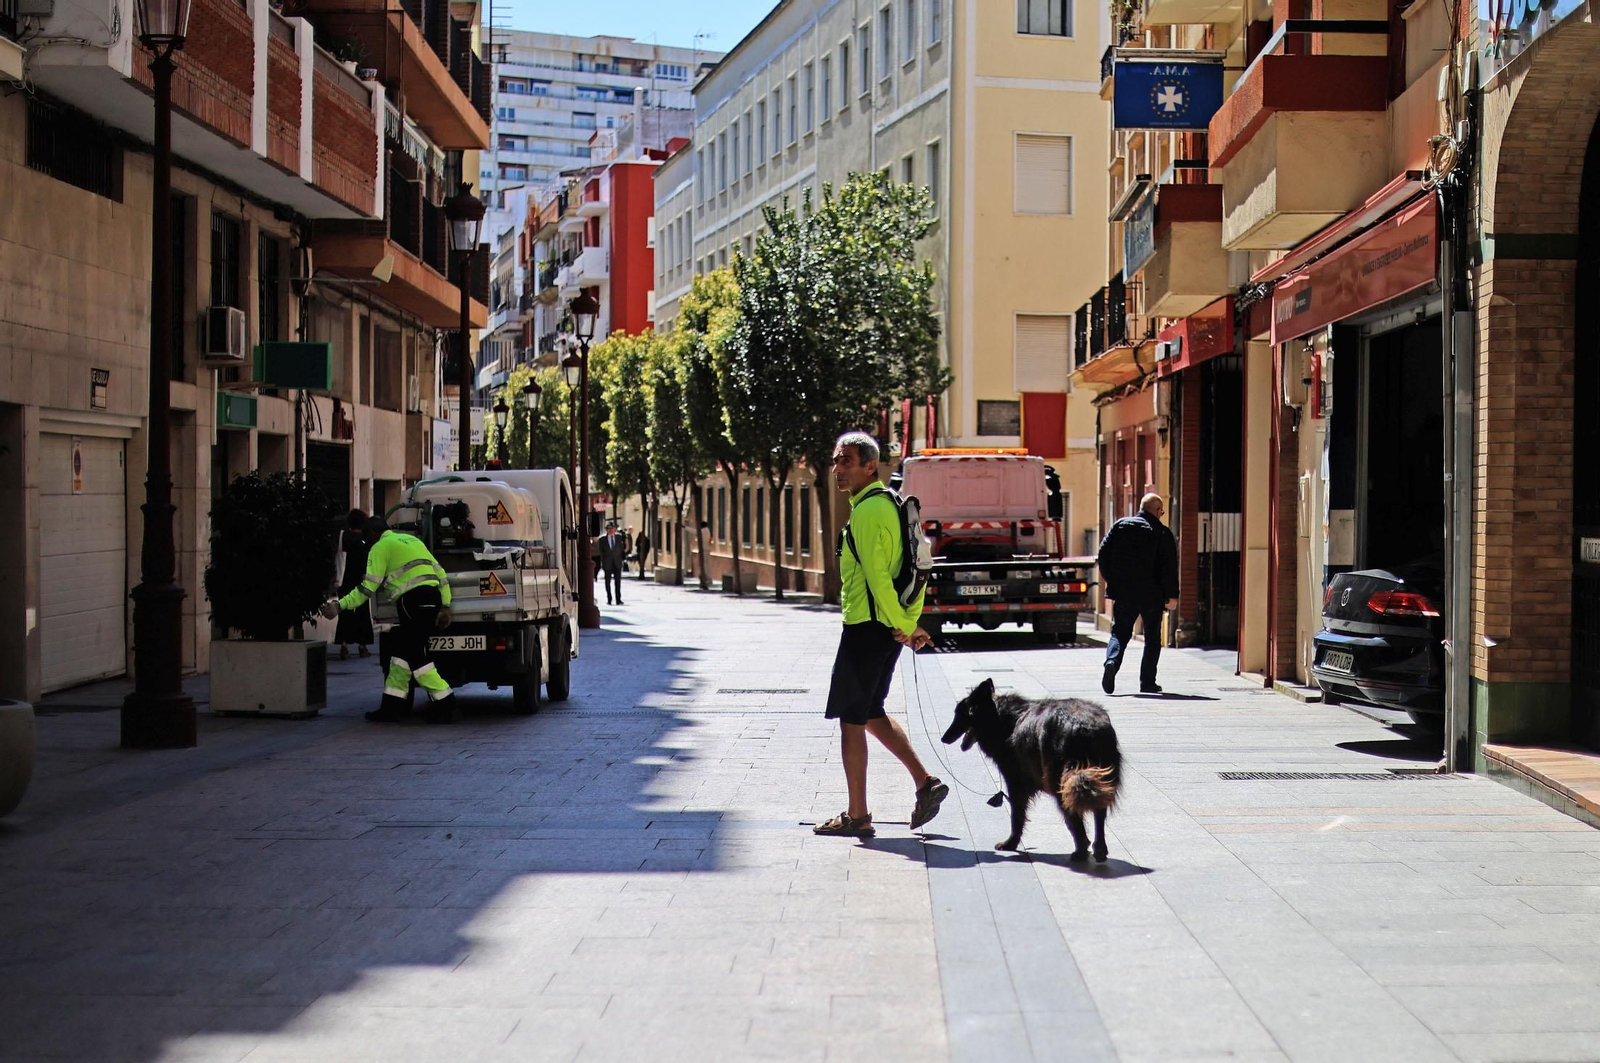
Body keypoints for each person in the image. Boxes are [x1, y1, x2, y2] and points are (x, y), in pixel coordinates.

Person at [814, 430, 948, 839]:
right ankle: (926, 783)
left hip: (867, 629)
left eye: (847, 461)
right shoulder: (889, 504)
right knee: (871, 711)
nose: (837, 468)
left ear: (870, 466)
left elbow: (877, 579)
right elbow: (916, 567)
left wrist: (905, 627)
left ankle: (858, 816)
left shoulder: (869, 511)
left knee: (851, 721)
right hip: (884, 628)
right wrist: (907, 622)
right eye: (836, 460)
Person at [321, 517, 459, 723]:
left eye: (366, 537)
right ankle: (392, 707)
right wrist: (445, 606)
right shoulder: (412, 541)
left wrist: (339, 606)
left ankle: (447, 704)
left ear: (373, 533)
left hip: (410, 602)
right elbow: (441, 575)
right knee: (400, 656)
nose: (366, 542)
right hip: (432, 599)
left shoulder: (380, 547)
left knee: (417, 658)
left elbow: (366, 589)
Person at [1097, 492, 1179, 695]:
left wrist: (1112, 580)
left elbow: (1103, 554)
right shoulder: (1161, 532)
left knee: (1119, 633)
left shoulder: (1120, 525)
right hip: (1152, 595)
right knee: (1152, 638)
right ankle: (1147, 682)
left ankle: (1112, 662)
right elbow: (1169, 567)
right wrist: (1172, 595)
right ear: (1158, 511)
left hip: (1124, 592)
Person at [334, 509, 374, 660]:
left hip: (344, 579)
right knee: (362, 612)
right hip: (362, 580)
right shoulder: (367, 538)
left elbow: (336, 555)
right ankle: (362, 646)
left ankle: (344, 644)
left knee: (344, 611)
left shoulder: (342, 536)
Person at [597, 518, 626, 605]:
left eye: (612, 528)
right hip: (607, 563)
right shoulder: (602, 539)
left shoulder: (619, 537)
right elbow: (600, 551)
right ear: (606, 530)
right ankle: (609, 598)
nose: (611, 530)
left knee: (618, 582)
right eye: (609, 528)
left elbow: (622, 549)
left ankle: (618, 599)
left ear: (615, 529)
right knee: (607, 582)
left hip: (617, 563)